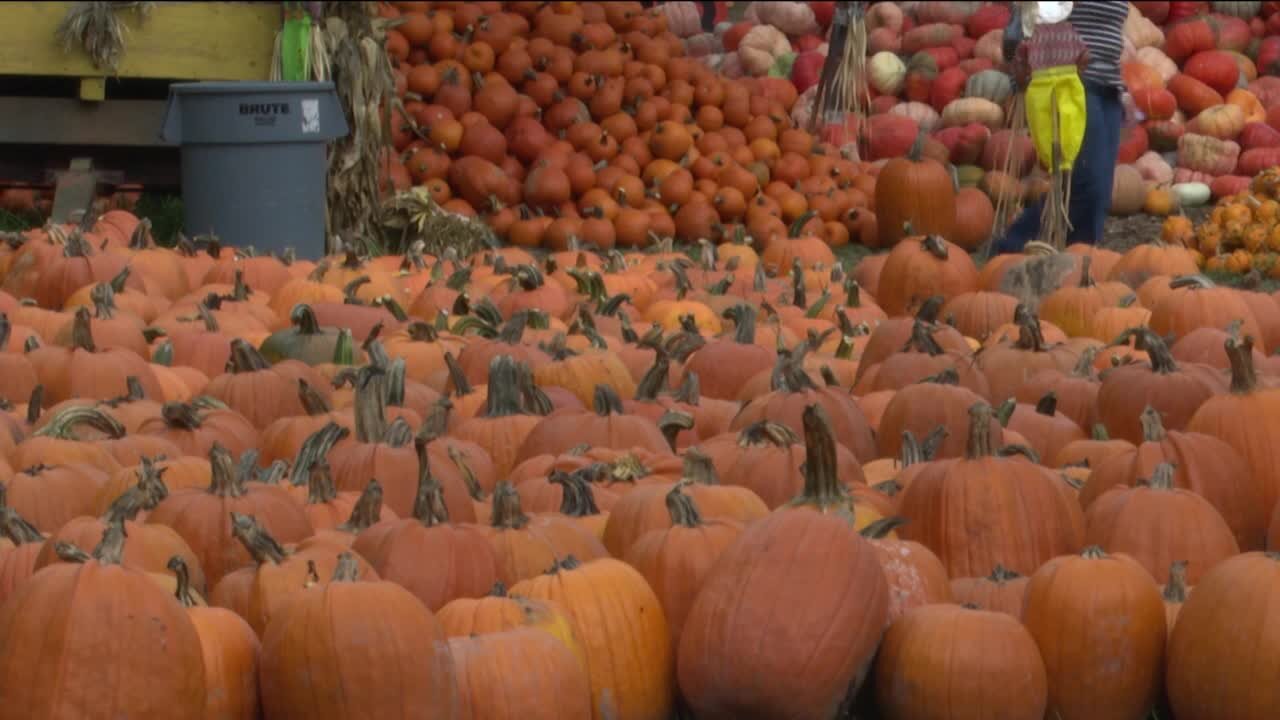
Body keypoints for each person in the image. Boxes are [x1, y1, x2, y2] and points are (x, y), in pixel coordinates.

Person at [995, 1, 1131, 254]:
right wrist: (1020, 67)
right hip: (1067, 81)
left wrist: (1122, 90)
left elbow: (1107, 30)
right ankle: (1012, 250)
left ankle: (1078, 263)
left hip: (1107, 85)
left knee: (1097, 192)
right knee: (1085, 184)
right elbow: (1027, 15)